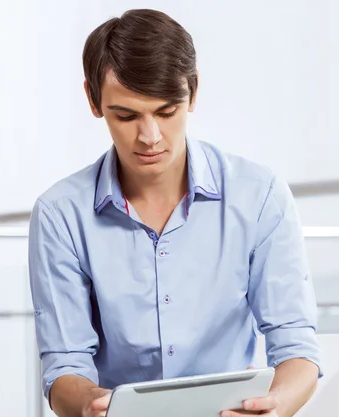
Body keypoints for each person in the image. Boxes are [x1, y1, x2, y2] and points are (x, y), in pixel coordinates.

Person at [28, 8, 321, 417]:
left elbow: (297, 346)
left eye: (166, 112)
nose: (149, 137)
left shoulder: (259, 196)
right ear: (94, 101)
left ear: (193, 92)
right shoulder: (60, 216)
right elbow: (64, 368)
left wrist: (275, 406)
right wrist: (94, 407)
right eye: (126, 115)